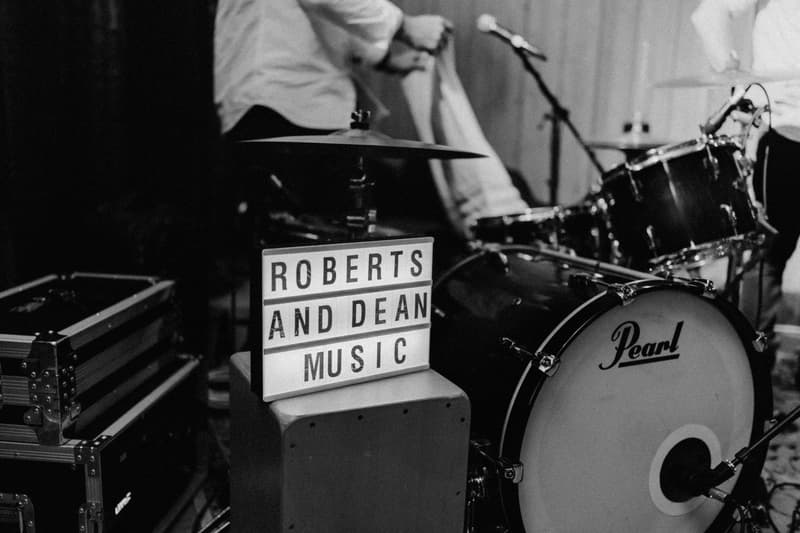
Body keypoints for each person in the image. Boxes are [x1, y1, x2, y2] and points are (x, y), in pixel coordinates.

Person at [214, 0, 453, 215]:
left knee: (321, 234)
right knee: (288, 240)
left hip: (297, 103)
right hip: (278, 102)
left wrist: (382, 57)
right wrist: (403, 25)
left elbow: (321, 17)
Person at [692, 0, 800, 370]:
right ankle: (751, 369)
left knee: (766, 259)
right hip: (787, 129)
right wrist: (732, 73)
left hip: (788, 131)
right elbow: (710, 13)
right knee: (766, 257)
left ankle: (752, 370)